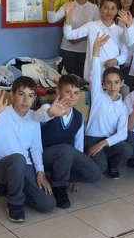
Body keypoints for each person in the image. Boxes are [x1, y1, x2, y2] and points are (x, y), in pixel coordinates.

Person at [0, 77, 56, 222]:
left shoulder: (34, 117)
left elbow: (36, 148)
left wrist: (40, 171)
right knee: (18, 159)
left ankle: (6, 189)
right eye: (21, 94)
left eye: (30, 96)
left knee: (47, 204)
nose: (25, 100)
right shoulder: (1, 113)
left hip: (24, 166)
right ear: (12, 95)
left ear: (34, 98)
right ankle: (15, 204)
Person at [32, 75, 102, 208]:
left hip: (67, 156)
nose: (72, 96)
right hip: (45, 155)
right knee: (66, 149)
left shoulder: (78, 116)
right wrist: (50, 113)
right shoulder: (48, 107)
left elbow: (78, 145)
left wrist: (76, 172)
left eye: (76, 92)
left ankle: (60, 176)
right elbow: (37, 116)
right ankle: (59, 187)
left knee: (95, 174)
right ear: (58, 91)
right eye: (68, 92)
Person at [84, 34, 132, 179]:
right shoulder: (98, 95)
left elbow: (122, 134)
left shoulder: (123, 107)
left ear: (122, 83)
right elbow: (95, 70)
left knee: (127, 149)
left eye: (116, 82)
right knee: (100, 169)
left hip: (107, 140)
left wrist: (103, 144)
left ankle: (112, 163)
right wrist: (96, 48)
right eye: (109, 82)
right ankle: (95, 158)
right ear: (103, 84)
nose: (113, 86)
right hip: (92, 138)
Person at [63, 0, 127, 83]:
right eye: (106, 8)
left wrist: (116, 61)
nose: (109, 12)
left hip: (112, 77)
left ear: (117, 11)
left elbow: (125, 54)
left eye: (112, 9)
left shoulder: (120, 31)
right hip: (92, 74)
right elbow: (69, 35)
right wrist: (67, 17)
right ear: (100, 9)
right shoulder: (91, 26)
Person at [47, 0, 100, 77]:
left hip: (86, 51)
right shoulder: (68, 5)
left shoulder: (94, 8)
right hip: (67, 50)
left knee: (83, 82)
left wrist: (79, 38)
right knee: (66, 81)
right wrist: (51, 1)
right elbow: (51, 19)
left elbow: (98, 31)